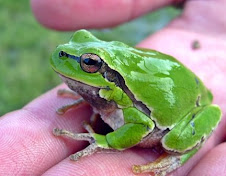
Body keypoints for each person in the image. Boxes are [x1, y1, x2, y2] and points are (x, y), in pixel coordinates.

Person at [1, 0, 226, 175]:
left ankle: (182, 155)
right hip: (175, 78)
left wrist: (106, 140)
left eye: (89, 63)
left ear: (108, 78)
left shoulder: (125, 99)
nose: (63, 53)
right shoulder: (111, 88)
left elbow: (142, 125)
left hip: (176, 117)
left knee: (173, 143)